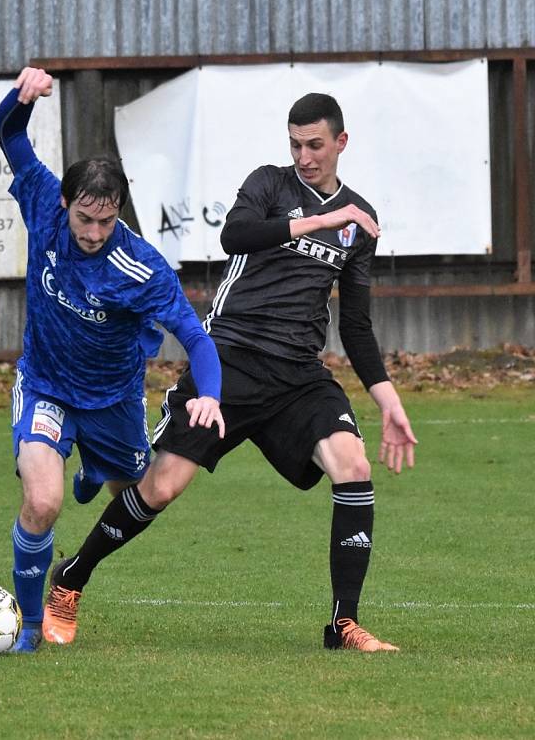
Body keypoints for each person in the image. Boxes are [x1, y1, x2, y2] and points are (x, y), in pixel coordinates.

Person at [44, 92, 418, 653]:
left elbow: (357, 327)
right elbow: (235, 236)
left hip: (297, 374)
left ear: (341, 142)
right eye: (295, 144)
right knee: (162, 486)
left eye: (315, 145)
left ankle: (344, 625)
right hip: (230, 360)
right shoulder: (269, 184)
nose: (304, 156)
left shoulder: (357, 221)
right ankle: (71, 579)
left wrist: (388, 400)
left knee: (352, 464)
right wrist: (319, 219)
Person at [0, 67, 225, 653]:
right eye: (85, 218)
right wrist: (20, 98)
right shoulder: (45, 203)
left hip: (112, 401)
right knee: (42, 500)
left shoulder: (140, 266)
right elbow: (9, 135)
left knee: (136, 487)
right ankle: (25, 622)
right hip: (45, 384)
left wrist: (211, 394)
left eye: (107, 219)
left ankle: (96, 470)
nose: (95, 232)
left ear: (119, 208)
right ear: (66, 203)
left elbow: (196, 339)